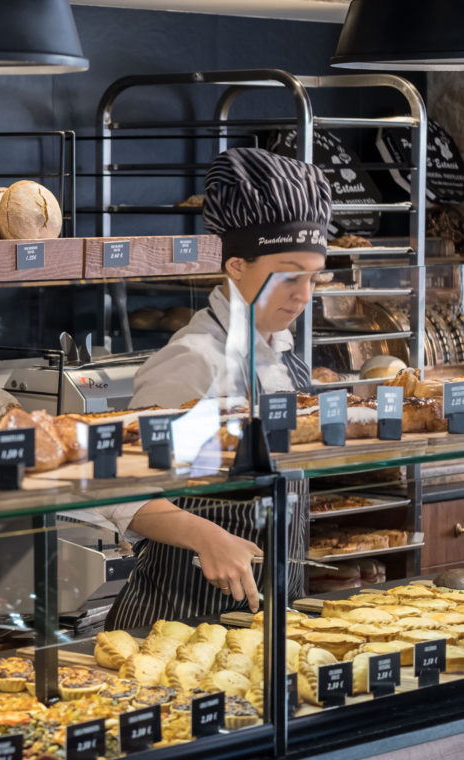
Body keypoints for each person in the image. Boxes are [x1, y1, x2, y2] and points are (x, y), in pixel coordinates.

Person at [103, 147, 330, 630]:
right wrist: (206, 536)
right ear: (235, 266)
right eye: (289, 275)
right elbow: (118, 488)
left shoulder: (284, 356)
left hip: (267, 613)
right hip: (176, 617)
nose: (303, 296)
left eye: (315, 277)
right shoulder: (193, 359)